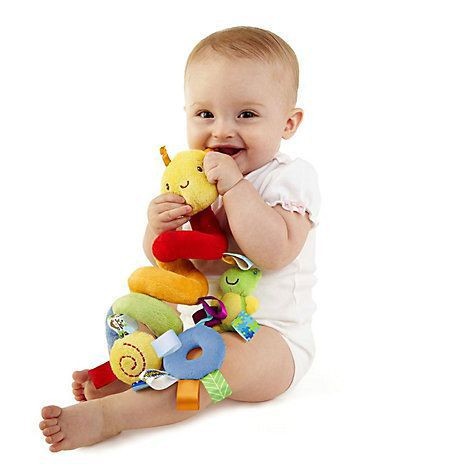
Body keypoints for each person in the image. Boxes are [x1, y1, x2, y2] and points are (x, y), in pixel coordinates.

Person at [39, 26, 320, 452]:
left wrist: (236, 188)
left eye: (246, 114)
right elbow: (168, 264)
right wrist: (158, 226)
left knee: (213, 361)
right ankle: (134, 366)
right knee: (150, 316)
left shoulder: (289, 178)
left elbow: (275, 252)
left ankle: (113, 416)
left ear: (288, 122)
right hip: (201, 323)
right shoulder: (195, 181)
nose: (221, 131)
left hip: (272, 341)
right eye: (205, 114)